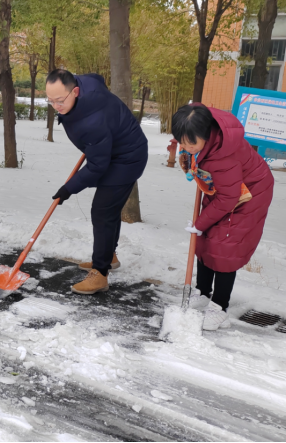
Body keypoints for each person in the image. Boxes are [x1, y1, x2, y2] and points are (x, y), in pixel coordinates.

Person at [45, 70, 148, 294]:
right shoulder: (85, 86)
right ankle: (108, 256)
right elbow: (96, 77)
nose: (55, 106)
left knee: (102, 211)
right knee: (108, 211)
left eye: (60, 100)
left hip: (126, 159)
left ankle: (100, 273)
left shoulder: (92, 122)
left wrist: (68, 189)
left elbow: (97, 166)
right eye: (50, 100)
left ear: (75, 91)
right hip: (112, 150)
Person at [173, 103, 274, 331]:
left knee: (225, 246)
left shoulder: (223, 156)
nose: (186, 147)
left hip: (251, 193)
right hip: (225, 187)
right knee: (205, 238)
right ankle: (203, 291)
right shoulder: (199, 129)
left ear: (206, 136)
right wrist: (191, 158)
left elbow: (229, 199)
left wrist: (200, 223)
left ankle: (219, 308)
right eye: (182, 142)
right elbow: (222, 189)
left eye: (191, 144)